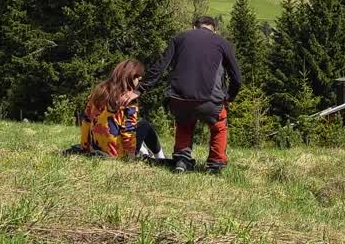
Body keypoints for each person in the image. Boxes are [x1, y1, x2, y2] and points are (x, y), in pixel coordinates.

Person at [140, 16, 242, 174]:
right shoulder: (222, 42)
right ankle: (215, 165)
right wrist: (229, 97)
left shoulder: (179, 38)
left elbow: (160, 66)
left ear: (194, 27)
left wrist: (140, 88)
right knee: (219, 125)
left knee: (184, 121)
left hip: (178, 98)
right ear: (214, 29)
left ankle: (181, 160)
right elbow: (236, 78)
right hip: (209, 100)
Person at [78, 59, 165, 160]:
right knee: (144, 125)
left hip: (95, 148)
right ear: (132, 77)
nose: (139, 84)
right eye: (139, 80)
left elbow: (86, 121)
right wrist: (130, 158)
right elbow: (128, 131)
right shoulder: (128, 100)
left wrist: (84, 148)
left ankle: (144, 150)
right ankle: (160, 158)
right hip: (118, 154)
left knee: (136, 126)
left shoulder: (97, 92)